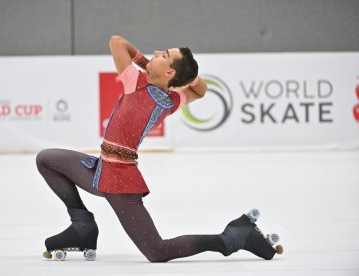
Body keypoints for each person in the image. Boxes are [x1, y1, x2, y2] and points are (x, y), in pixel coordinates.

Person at [36, 35, 283, 262]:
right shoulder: (171, 100)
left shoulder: (137, 83)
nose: (154, 53)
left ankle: (233, 236)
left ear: (169, 71)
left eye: (163, 55)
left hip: (120, 183)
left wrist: (146, 64)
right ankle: (82, 225)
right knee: (46, 159)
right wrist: (177, 75)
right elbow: (200, 89)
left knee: (157, 251)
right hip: (101, 171)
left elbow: (116, 42)